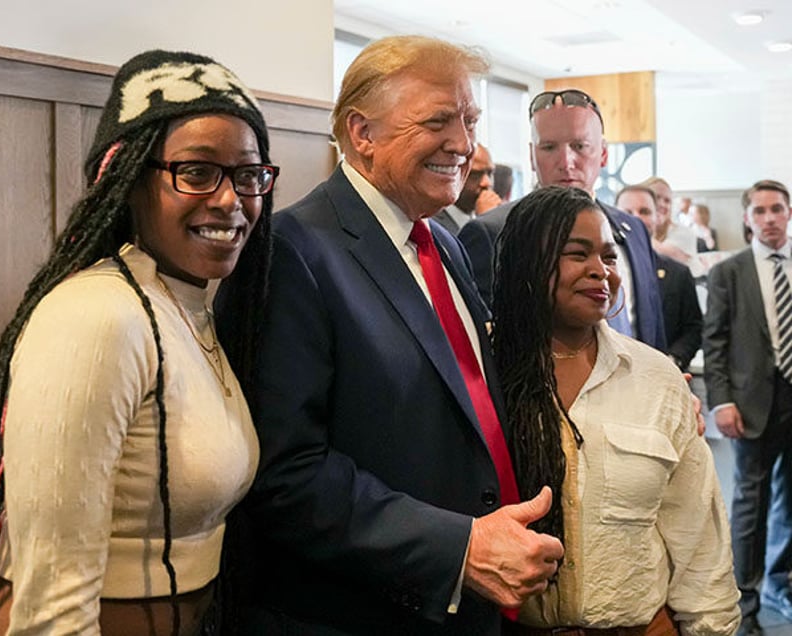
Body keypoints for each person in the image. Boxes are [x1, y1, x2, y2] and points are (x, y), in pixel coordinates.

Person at [215, 35, 563, 635]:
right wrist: (458, 549)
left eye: (470, 119)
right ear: (362, 133)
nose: (463, 143)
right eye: (437, 121)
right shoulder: (291, 254)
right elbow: (285, 474)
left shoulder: (442, 242)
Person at [0, 50, 277, 636]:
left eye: (249, 174)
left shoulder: (189, 306)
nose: (231, 200)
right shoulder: (97, 317)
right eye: (197, 171)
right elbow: (52, 610)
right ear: (125, 181)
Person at [493, 185, 740, 635]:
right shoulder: (481, 374)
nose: (600, 272)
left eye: (608, 257)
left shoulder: (655, 377)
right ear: (528, 262)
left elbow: (699, 540)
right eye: (577, 253)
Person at [458, 89, 666, 354]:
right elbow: (483, 347)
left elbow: (652, 327)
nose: (566, 162)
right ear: (532, 156)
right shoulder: (493, 234)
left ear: (603, 154)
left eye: (579, 146)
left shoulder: (632, 229)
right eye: (549, 147)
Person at [704, 179, 792, 636]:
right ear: (747, 219)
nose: (769, 218)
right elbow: (714, 341)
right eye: (759, 211)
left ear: (789, 213)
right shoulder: (729, 272)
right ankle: (747, 605)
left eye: (776, 209)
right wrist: (721, 401)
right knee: (750, 505)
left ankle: (781, 585)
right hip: (751, 403)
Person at [616, 185, 702, 371]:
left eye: (645, 211)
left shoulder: (678, 274)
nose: (635, 217)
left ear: (657, 217)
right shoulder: (603, 270)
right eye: (628, 211)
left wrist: (671, 362)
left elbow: (693, 328)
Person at [433, 143, 502, 233]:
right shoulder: (433, 223)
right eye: (475, 175)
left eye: (490, 173)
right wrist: (485, 221)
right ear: (453, 173)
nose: (486, 183)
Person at [641, 176, 703, 267]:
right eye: (656, 197)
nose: (662, 204)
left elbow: (666, 256)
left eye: (667, 201)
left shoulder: (684, 232)